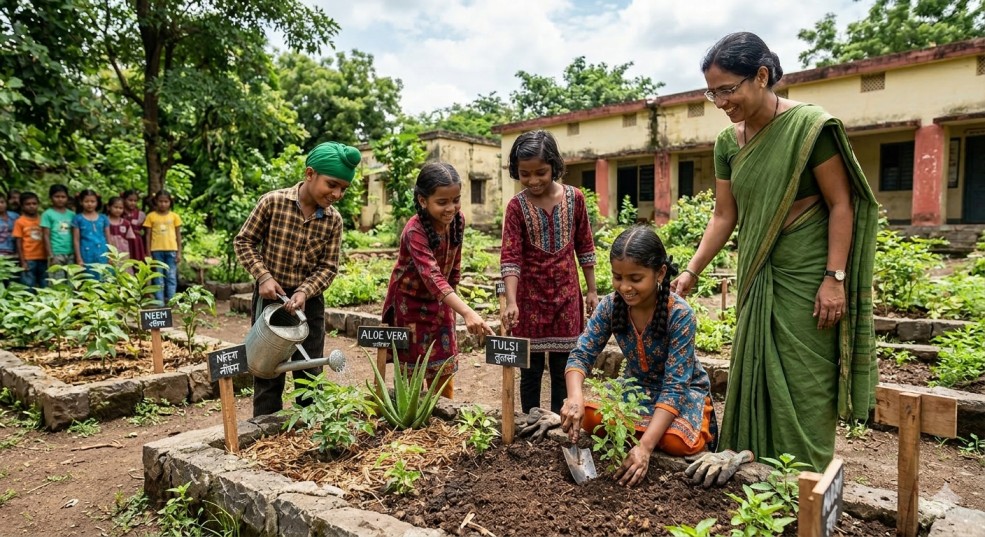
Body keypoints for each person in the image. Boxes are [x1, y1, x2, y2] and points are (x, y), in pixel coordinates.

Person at [672, 32, 879, 473]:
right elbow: (724, 215)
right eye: (712, 93)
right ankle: (754, 470)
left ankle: (807, 478)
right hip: (757, 270)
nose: (721, 102)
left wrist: (835, 278)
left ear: (762, 76)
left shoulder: (810, 129)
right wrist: (691, 270)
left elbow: (841, 205)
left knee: (807, 379)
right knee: (756, 368)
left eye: (728, 89)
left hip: (807, 271)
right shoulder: (728, 143)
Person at [558, 225, 717, 488]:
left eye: (635, 278)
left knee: (677, 442)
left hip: (682, 393)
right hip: (636, 390)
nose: (625, 287)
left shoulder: (680, 315)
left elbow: (675, 386)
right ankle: (645, 431)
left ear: (660, 273)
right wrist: (574, 397)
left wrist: (644, 448)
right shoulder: (610, 306)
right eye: (617, 277)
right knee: (586, 416)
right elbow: (581, 354)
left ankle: (649, 433)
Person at [234, 141, 360, 417]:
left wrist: (304, 292)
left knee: (309, 368)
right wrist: (263, 276)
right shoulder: (273, 202)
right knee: (267, 368)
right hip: (270, 300)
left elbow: (328, 267)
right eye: (332, 185)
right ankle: (265, 427)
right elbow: (244, 242)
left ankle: (310, 426)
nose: (337, 194)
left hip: (308, 302)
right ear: (310, 174)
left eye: (343, 189)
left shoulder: (333, 220)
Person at [501, 130, 598, 414]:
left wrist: (592, 290)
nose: (533, 180)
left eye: (540, 172)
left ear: (554, 166)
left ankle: (558, 424)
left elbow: (585, 245)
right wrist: (511, 301)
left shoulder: (575, 198)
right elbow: (511, 256)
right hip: (529, 300)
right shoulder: (516, 207)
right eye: (525, 174)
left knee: (563, 368)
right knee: (530, 371)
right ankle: (529, 421)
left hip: (567, 297)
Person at [382, 161, 495, 399]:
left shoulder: (458, 220)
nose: (451, 208)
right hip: (409, 306)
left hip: (443, 300)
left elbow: (454, 265)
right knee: (411, 374)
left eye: (456, 200)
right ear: (423, 201)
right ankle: (410, 417)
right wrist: (467, 311)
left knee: (444, 367)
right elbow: (432, 276)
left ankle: (444, 413)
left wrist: (453, 304)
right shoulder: (414, 231)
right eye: (442, 202)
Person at [144, 190, 182, 305]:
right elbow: (148, 235)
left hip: (172, 250)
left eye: (166, 201)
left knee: (171, 277)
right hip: (156, 251)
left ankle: (171, 302)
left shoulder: (174, 216)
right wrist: (148, 252)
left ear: (170, 202)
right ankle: (159, 303)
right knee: (158, 277)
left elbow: (178, 235)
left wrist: (179, 252)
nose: (163, 204)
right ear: (156, 201)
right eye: (160, 201)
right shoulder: (151, 216)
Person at [72, 190, 111, 277]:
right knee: (88, 277)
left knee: (104, 277)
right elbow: (76, 240)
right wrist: (79, 258)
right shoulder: (78, 219)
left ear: (97, 202)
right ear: (81, 202)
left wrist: (111, 255)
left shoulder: (103, 218)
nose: (89, 204)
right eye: (86, 201)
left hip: (103, 252)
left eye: (92, 201)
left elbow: (108, 237)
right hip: (86, 253)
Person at [41, 184, 75, 281]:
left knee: (72, 281)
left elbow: (75, 235)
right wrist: (50, 255)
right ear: (51, 198)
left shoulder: (72, 214)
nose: (60, 199)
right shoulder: (47, 214)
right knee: (57, 282)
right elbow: (45, 236)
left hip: (71, 252)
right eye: (57, 197)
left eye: (63, 197)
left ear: (67, 198)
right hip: (56, 253)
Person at [12, 192, 46, 289]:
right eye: (28, 204)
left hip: (43, 258)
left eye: (34, 203)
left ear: (38, 204)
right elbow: (18, 242)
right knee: (28, 286)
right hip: (28, 259)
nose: (31, 206)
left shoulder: (43, 219)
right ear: (22, 206)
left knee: (45, 284)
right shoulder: (20, 221)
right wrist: (22, 261)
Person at [121, 190, 147, 262]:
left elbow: (145, 231)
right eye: (130, 200)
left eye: (135, 201)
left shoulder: (140, 214)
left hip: (136, 242)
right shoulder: (120, 212)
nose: (133, 203)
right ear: (124, 200)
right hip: (123, 241)